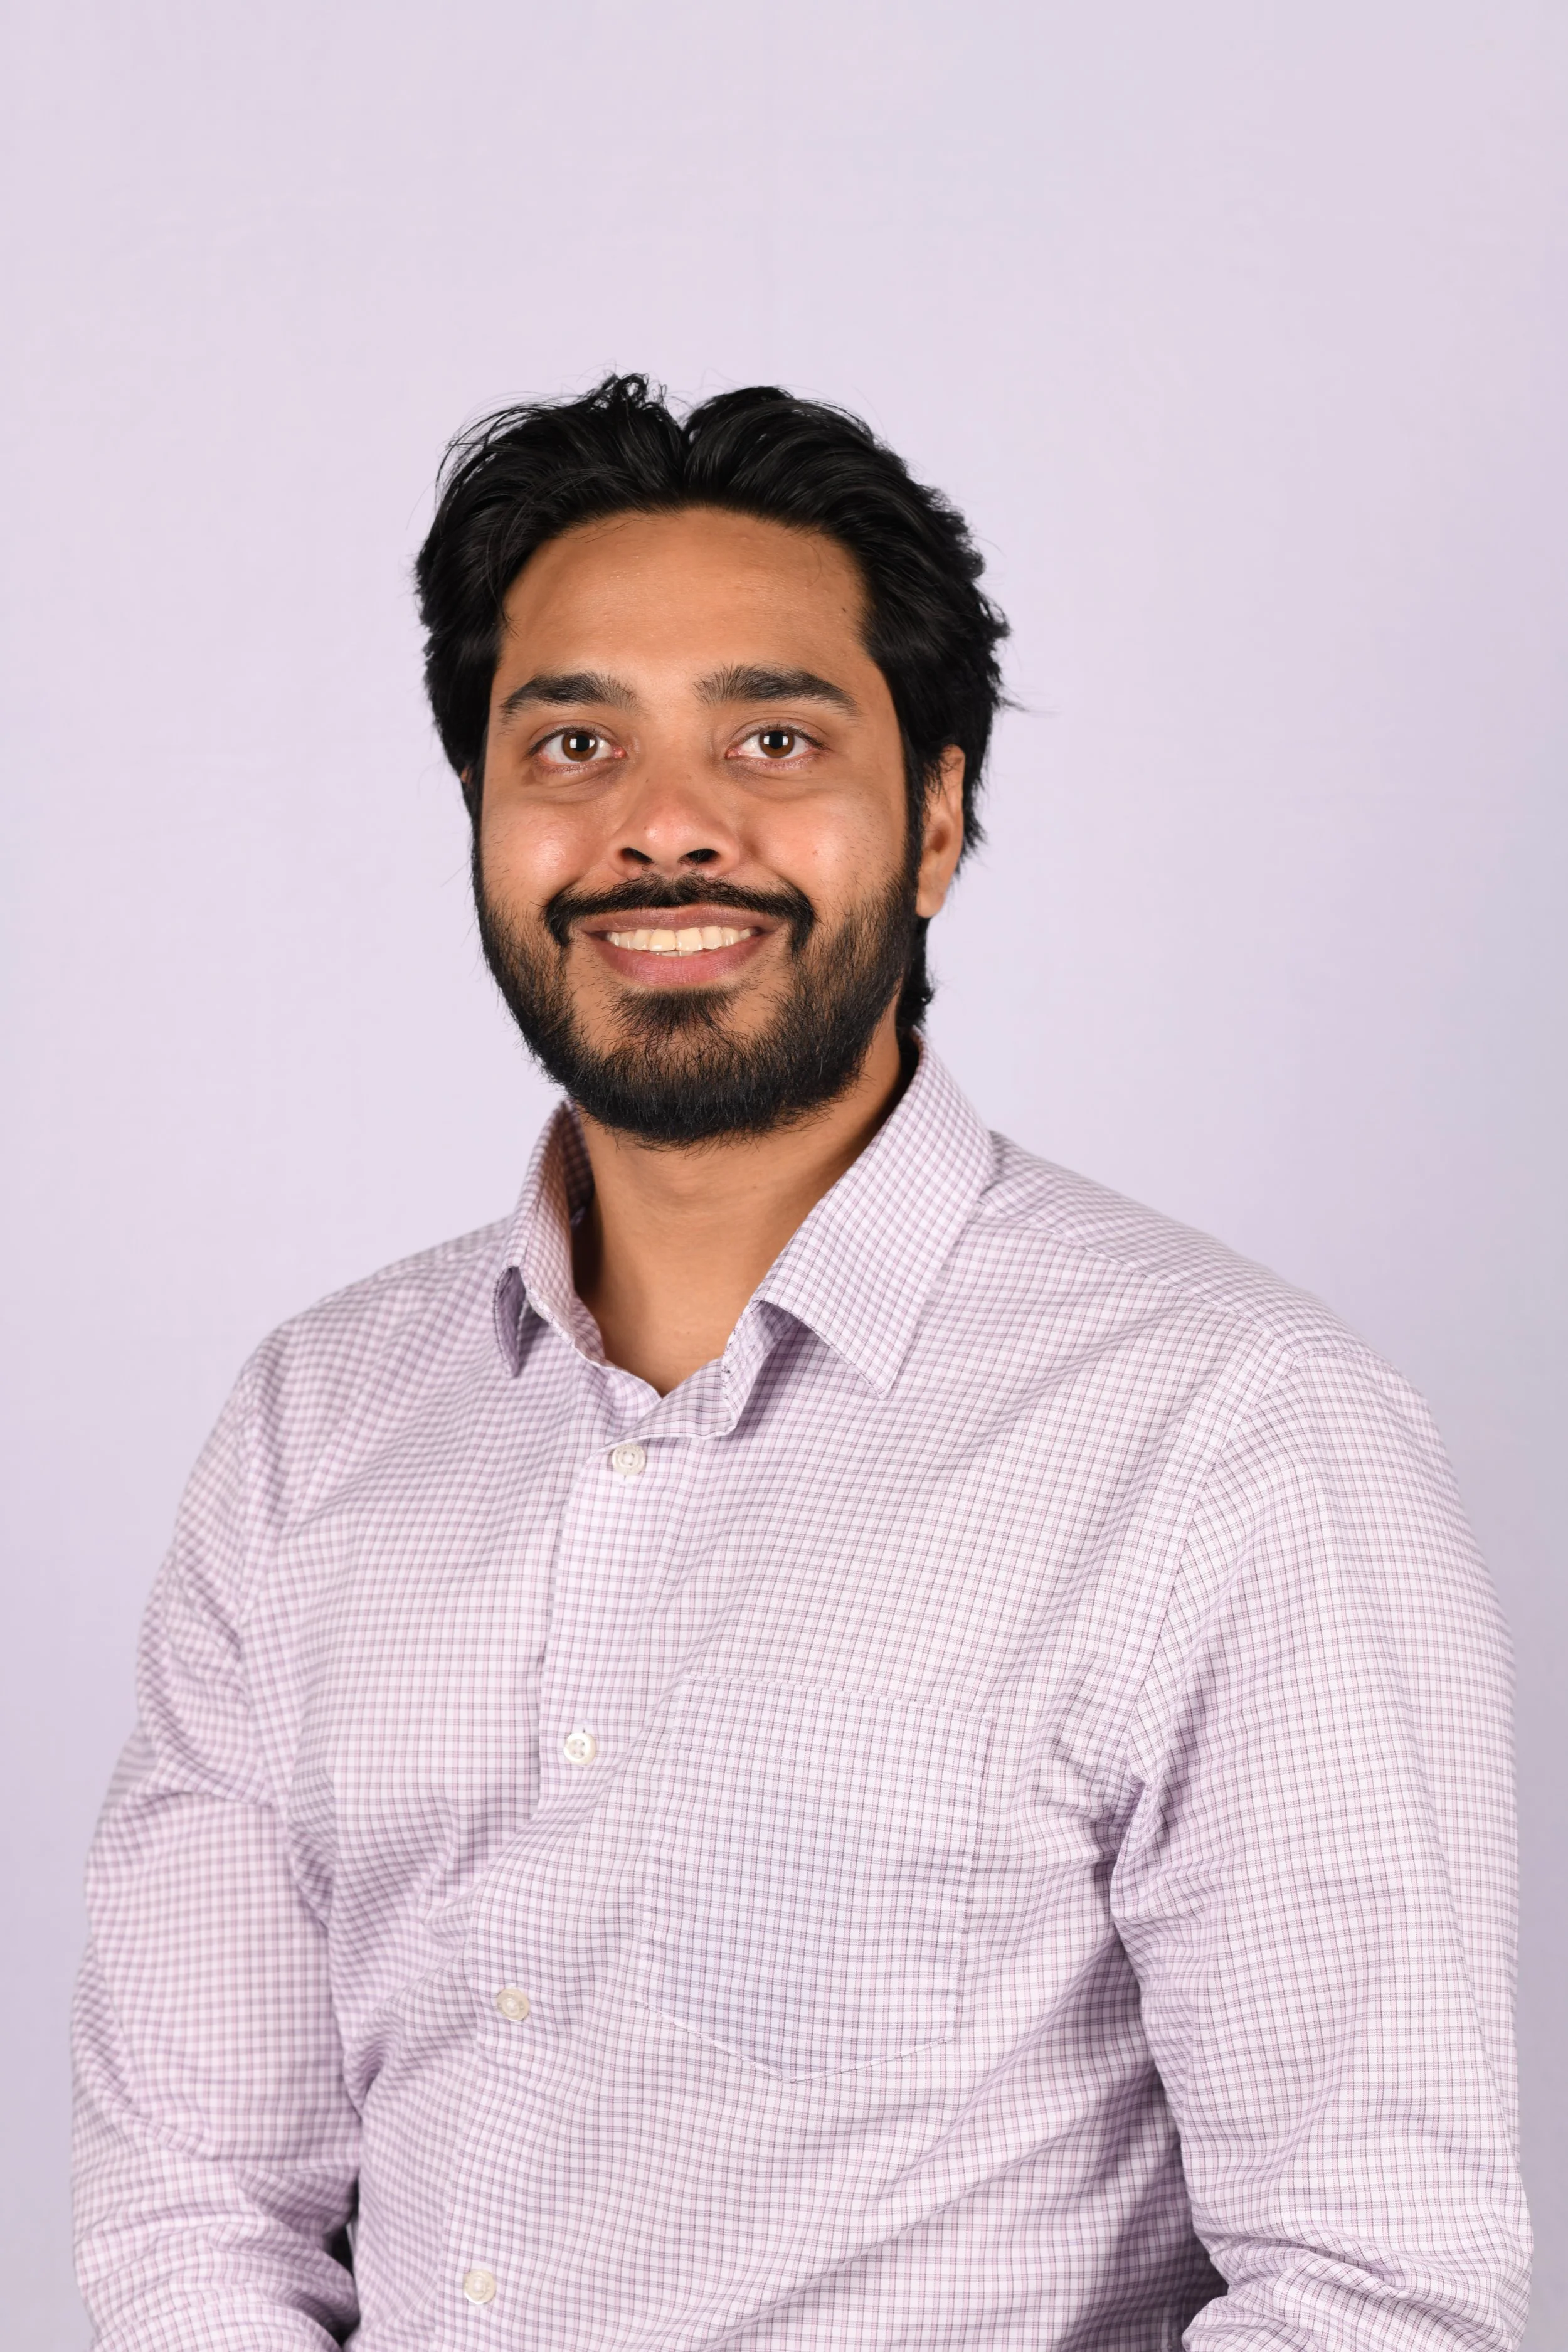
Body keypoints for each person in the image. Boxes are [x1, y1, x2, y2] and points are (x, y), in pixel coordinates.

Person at [73, 376, 1529, 2351]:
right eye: (571, 742)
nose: (664, 826)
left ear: (932, 820)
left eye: (773, 737)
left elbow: (1377, 2288)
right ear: (483, 817)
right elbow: (197, 2206)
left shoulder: (1235, 1433)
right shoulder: (310, 1426)